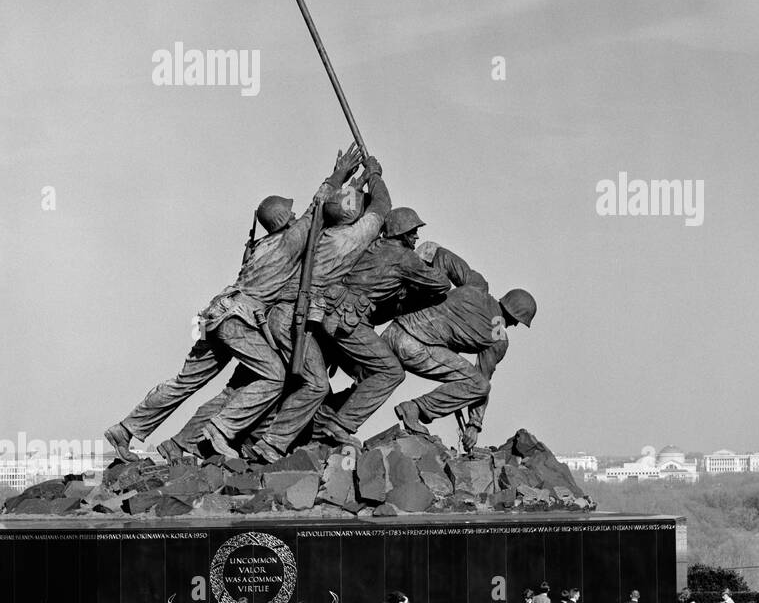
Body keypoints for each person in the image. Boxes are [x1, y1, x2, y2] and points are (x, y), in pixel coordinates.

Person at [103, 146, 362, 462]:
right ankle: (219, 431)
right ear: (283, 220)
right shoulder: (288, 242)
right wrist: (341, 174)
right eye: (290, 215)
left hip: (213, 316)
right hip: (237, 320)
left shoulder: (260, 247)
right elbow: (317, 209)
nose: (296, 217)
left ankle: (127, 428)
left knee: (185, 383)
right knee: (274, 375)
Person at [251, 153, 391, 460]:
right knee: (316, 383)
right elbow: (382, 208)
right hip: (294, 316)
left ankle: (271, 435)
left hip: (281, 313)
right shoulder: (352, 238)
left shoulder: (315, 232)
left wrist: (348, 179)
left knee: (302, 380)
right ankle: (271, 442)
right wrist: (375, 175)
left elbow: (324, 205)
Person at [311, 206, 486, 440]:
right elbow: (442, 284)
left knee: (367, 373)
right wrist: (427, 264)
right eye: (413, 231)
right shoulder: (404, 258)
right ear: (401, 233)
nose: (416, 236)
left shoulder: (375, 246)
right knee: (391, 372)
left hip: (336, 313)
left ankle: (322, 419)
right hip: (347, 321)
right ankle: (340, 426)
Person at [385, 284, 537, 453]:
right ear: (513, 315)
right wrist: (474, 424)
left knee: (366, 382)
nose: (515, 325)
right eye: (517, 321)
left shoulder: (472, 290)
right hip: (414, 346)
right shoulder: (497, 335)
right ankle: (415, 408)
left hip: (393, 330)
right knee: (479, 385)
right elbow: (481, 381)